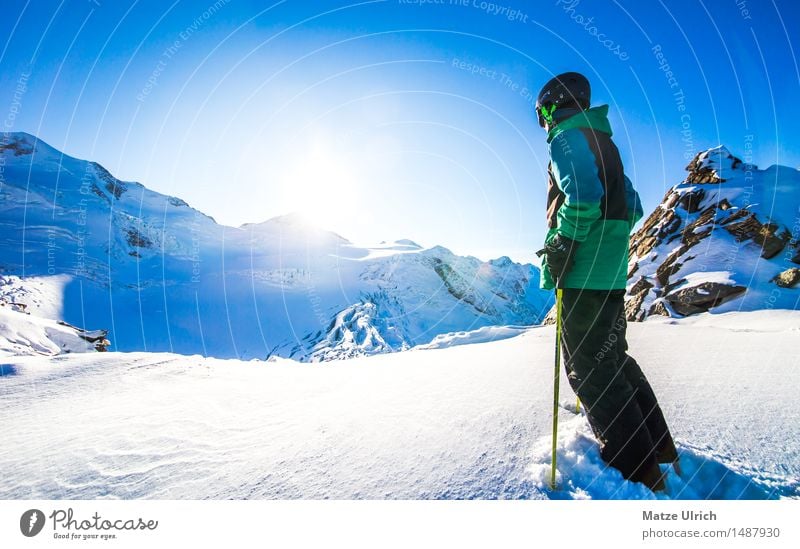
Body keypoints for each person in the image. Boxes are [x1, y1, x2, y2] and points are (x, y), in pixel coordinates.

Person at [534, 72, 679, 492]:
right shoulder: (603, 142)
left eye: (540, 113)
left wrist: (565, 241)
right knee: (614, 361)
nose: (541, 122)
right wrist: (608, 241)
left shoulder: (565, 139)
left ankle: (639, 470)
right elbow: (631, 205)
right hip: (612, 271)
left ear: (549, 107)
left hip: (583, 274)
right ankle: (659, 449)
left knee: (590, 373)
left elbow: (582, 196)